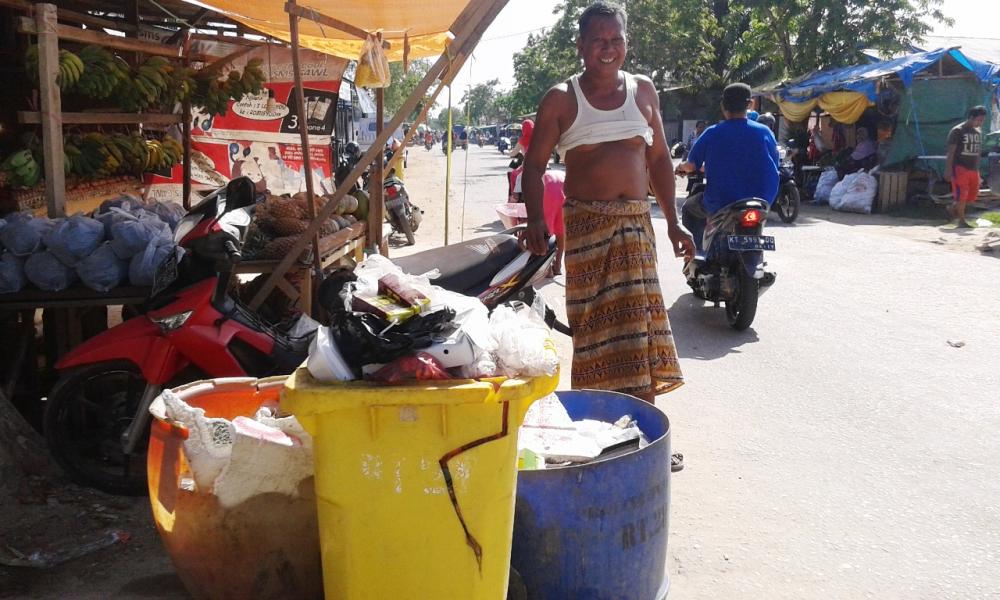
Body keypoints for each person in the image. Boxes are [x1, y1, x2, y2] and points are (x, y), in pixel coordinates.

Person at [520, 2, 694, 422]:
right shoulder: (562, 99)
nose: (608, 48)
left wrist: (674, 221)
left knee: (642, 335)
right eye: (598, 40)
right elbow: (534, 167)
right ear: (580, 45)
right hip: (587, 229)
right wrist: (537, 220)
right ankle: (597, 430)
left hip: (636, 226)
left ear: (626, 44)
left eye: (616, 40)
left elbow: (657, 163)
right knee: (594, 333)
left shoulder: (644, 91)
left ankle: (643, 439)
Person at [676, 83, 779, 254]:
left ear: (723, 105)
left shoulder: (712, 133)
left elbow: (691, 165)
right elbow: (774, 164)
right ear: (750, 104)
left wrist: (680, 167)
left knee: (689, 208)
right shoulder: (765, 132)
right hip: (762, 201)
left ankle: (696, 254)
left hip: (721, 202)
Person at [510, 118, 567, 276]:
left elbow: (514, 154)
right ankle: (558, 265)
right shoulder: (542, 137)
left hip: (535, 174)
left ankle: (545, 267)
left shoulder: (523, 140)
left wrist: (511, 153)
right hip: (557, 178)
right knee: (561, 230)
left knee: (543, 228)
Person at [945, 105, 986, 228]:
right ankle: (961, 221)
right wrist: (948, 170)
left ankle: (952, 207)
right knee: (962, 194)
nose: (981, 122)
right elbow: (951, 152)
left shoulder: (978, 132)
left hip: (973, 168)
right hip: (959, 167)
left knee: (971, 196)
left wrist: (978, 170)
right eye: (979, 119)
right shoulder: (958, 130)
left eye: (983, 120)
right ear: (971, 117)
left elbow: (978, 152)